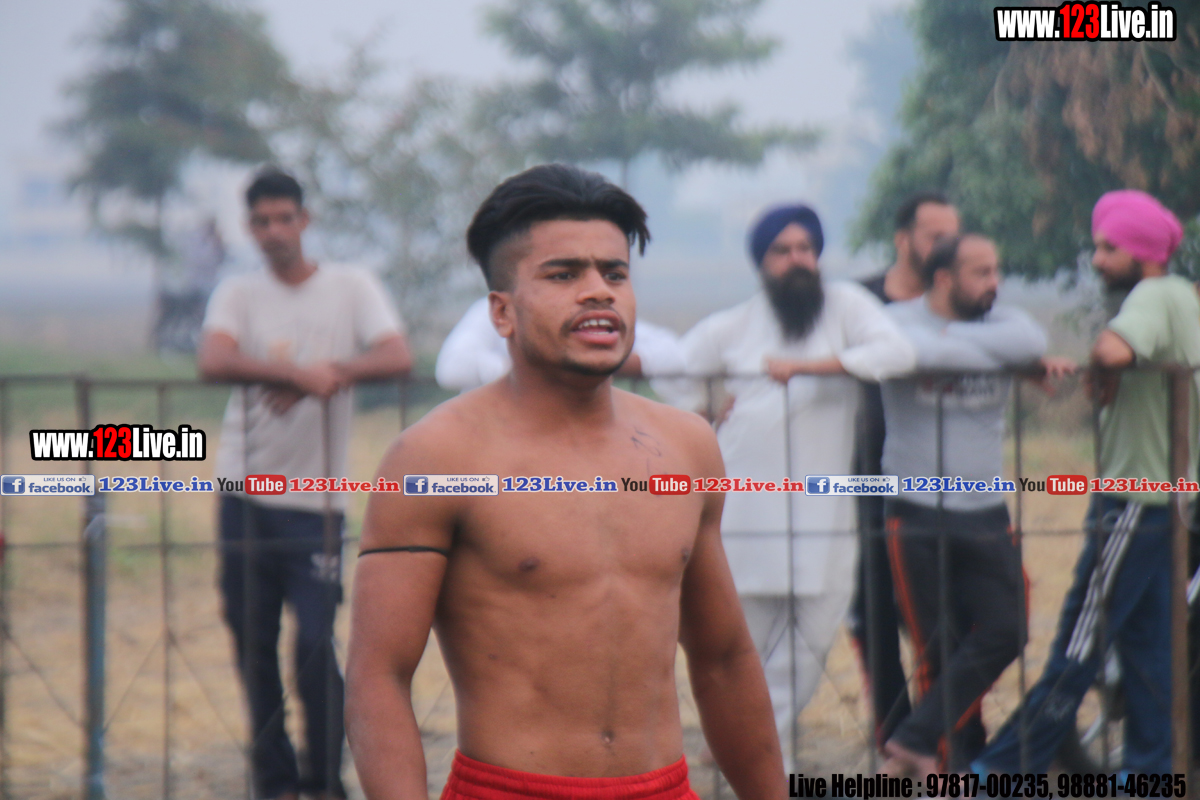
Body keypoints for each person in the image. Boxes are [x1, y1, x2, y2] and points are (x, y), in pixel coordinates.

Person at [346, 164, 786, 800]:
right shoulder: (436, 457)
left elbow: (723, 659)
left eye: (614, 273)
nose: (598, 291)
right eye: (564, 274)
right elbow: (378, 677)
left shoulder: (686, 447)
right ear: (502, 312)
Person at [198, 167, 412, 800]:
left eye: (283, 218)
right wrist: (294, 376)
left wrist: (330, 373)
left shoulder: (351, 286)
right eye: (261, 221)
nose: (273, 231)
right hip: (243, 489)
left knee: (317, 644)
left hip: (316, 501)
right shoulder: (239, 292)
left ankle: (325, 782)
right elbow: (214, 358)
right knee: (252, 642)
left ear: (304, 220)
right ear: (249, 228)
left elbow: (396, 355)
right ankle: (276, 782)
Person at [676, 203, 916, 768]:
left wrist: (810, 368)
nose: (797, 260)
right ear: (762, 263)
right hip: (745, 516)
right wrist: (705, 411)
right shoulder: (732, 326)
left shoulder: (846, 306)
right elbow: (679, 377)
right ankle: (767, 762)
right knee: (744, 648)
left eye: (806, 248)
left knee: (811, 639)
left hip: (823, 517)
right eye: (782, 251)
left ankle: (739, 744)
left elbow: (898, 354)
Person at [972, 189, 1199, 776]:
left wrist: (1100, 368)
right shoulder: (1182, 297)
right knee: (1148, 649)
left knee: (1077, 647)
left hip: (1133, 500)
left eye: (1108, 248)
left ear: (1143, 253)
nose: (1097, 260)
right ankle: (1150, 772)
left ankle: (997, 772)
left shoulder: (1153, 295)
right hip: (1166, 502)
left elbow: (1113, 349)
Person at [878, 234, 1048, 774]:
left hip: (985, 509)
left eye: (996, 270)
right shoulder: (896, 320)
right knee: (938, 648)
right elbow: (919, 353)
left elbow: (1030, 341)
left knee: (1007, 628)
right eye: (981, 272)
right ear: (944, 278)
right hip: (915, 509)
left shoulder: (1005, 322)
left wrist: (970, 344)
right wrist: (1006, 358)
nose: (994, 283)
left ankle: (913, 740)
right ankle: (952, 764)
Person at [850, 191, 960, 749]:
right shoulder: (858, 302)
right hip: (869, 474)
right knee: (872, 609)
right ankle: (893, 735)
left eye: (952, 235)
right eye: (934, 235)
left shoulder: (959, 301)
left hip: (948, 478)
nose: (946, 246)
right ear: (902, 240)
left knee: (945, 613)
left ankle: (943, 736)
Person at [435, 295, 685, 394]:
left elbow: (673, 355)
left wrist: (596, 363)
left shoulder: (594, 313)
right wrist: (541, 372)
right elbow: (451, 369)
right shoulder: (490, 313)